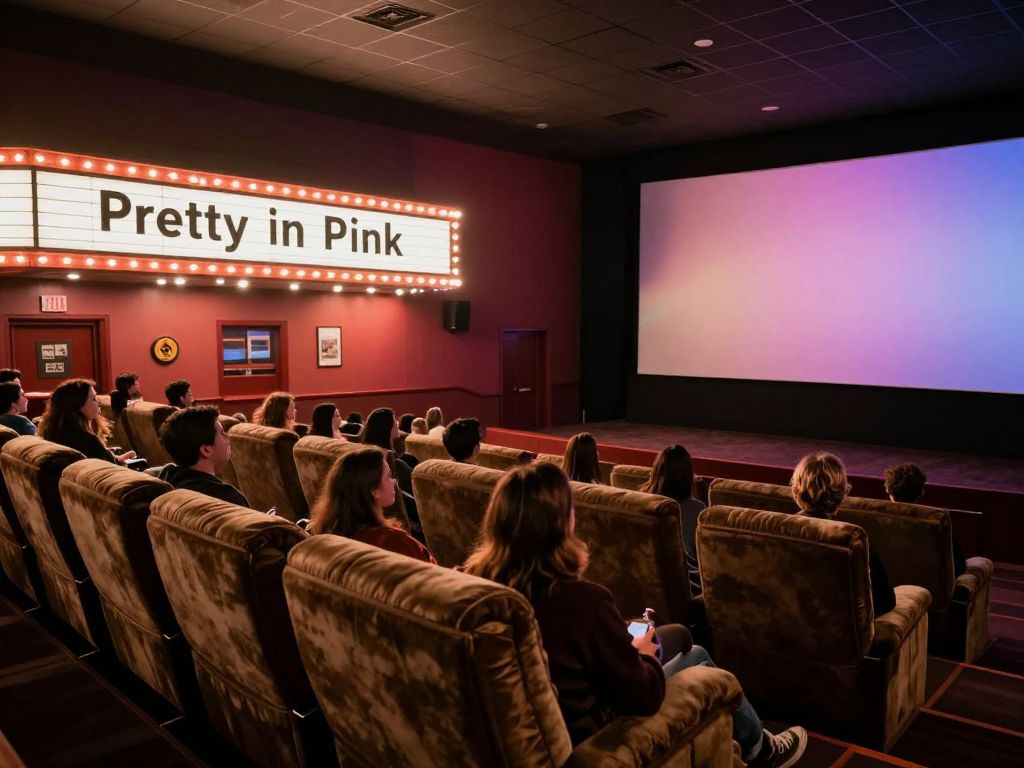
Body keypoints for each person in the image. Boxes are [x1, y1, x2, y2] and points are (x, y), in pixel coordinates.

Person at [462, 463, 806, 766]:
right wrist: (645, 655)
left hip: (524, 733)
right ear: (561, 525)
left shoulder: (476, 591)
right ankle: (765, 752)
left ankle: (760, 745)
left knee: (695, 651)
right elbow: (643, 696)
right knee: (702, 665)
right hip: (597, 737)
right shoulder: (584, 602)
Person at [792, 452, 896, 615]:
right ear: (842, 493)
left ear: (796, 488)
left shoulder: (773, 530)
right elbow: (886, 602)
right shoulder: (854, 541)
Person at [308, 446, 435, 563]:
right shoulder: (395, 542)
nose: (394, 481)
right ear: (373, 491)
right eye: (388, 476)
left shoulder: (322, 537)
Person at [640, 445, 705, 595]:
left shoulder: (640, 503)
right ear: (688, 476)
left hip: (649, 585)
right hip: (687, 591)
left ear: (656, 472)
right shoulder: (698, 510)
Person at [885, 462, 966, 576]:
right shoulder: (935, 524)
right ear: (921, 493)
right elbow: (959, 566)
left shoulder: (874, 520)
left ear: (888, 490)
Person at [157, 405, 248, 506]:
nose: (227, 437)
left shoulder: (166, 478)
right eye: (222, 433)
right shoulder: (229, 498)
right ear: (206, 450)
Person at [38, 378, 137, 464]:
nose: (99, 402)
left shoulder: (52, 434)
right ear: (77, 405)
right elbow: (110, 473)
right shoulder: (87, 441)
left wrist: (118, 459)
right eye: (93, 398)